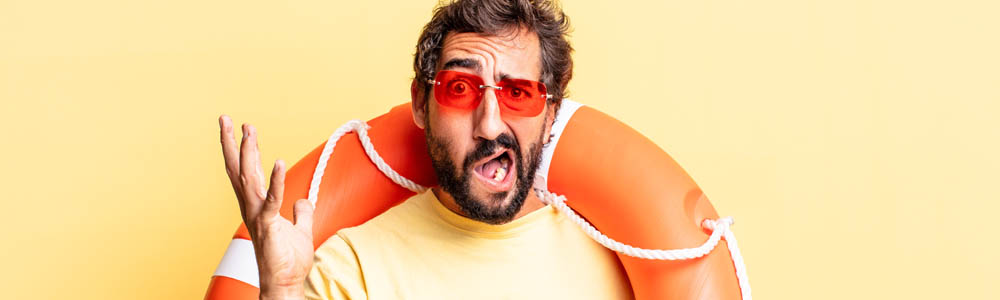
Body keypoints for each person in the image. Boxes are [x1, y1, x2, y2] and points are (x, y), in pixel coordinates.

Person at [217, 0, 633, 299]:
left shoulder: (623, 256)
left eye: (517, 92)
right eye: (459, 88)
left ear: (549, 116)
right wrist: (281, 289)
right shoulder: (353, 267)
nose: (489, 125)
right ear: (421, 104)